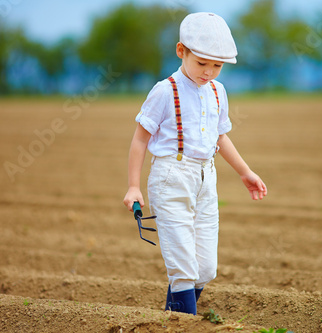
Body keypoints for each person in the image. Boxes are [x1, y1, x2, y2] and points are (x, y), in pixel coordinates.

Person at [123, 12, 267, 315]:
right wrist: (134, 186)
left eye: (217, 65)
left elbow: (221, 137)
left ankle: (171, 318)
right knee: (183, 267)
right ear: (181, 51)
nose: (209, 72)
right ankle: (183, 322)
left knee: (206, 268)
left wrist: (245, 172)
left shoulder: (218, 91)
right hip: (170, 178)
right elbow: (139, 140)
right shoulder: (165, 90)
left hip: (206, 179)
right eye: (202, 63)